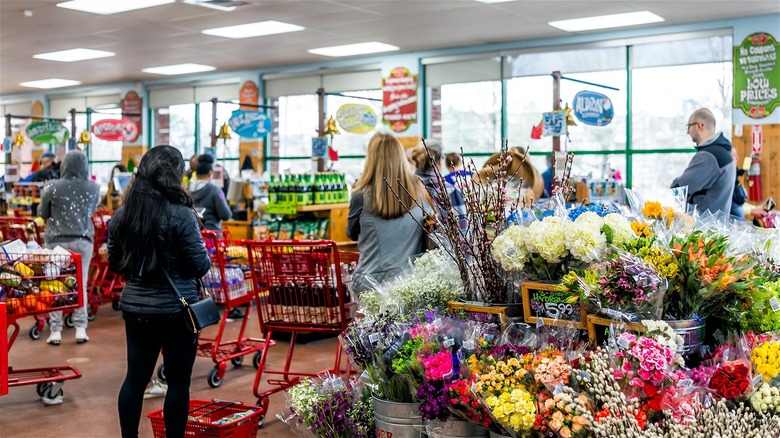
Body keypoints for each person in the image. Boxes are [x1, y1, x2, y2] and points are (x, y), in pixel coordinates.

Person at [109, 145, 211, 438]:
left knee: (134, 380)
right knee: (178, 383)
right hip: (177, 312)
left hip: (136, 309)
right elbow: (199, 266)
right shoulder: (182, 214)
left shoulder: (123, 214)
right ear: (175, 175)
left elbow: (117, 262)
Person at [347, 132, 428, 294]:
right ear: (401, 157)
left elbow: (352, 233)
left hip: (371, 283)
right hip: (412, 282)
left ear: (370, 159)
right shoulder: (419, 189)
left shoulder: (360, 195)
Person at [38, 151, 100, 349]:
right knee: (80, 284)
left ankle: (55, 331)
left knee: (55, 284)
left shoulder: (51, 187)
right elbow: (89, 211)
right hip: (83, 240)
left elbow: (42, 213)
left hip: (56, 242)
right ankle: (80, 328)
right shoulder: (93, 187)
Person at [671, 108, 736, 214]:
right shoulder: (723, 152)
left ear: (699, 126)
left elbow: (679, 189)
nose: (688, 132)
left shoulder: (709, 156)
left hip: (703, 227)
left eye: (689, 127)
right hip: (716, 225)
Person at [411, 139, 467, 231]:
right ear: (440, 160)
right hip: (438, 244)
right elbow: (462, 229)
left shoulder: (403, 186)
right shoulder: (449, 190)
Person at [187, 154, 232, 231]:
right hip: (211, 236)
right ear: (210, 173)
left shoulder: (187, 189)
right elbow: (226, 215)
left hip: (192, 234)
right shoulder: (215, 191)